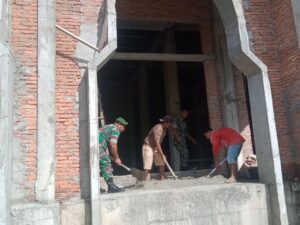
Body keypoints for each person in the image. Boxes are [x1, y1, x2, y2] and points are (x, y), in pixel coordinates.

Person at [99, 117, 128, 193]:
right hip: (97, 147)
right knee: (106, 162)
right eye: (123, 126)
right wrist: (117, 158)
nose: (123, 129)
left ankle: (94, 187)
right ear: (118, 124)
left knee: (94, 167)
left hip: (91, 147)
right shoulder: (115, 130)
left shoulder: (107, 126)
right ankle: (111, 186)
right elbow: (113, 144)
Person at [142, 115, 174, 181]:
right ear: (165, 122)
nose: (170, 125)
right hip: (148, 146)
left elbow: (159, 142)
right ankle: (144, 181)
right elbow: (156, 141)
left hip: (155, 147)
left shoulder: (165, 130)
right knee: (148, 165)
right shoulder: (158, 127)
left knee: (162, 162)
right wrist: (162, 153)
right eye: (170, 124)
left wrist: (160, 153)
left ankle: (161, 179)